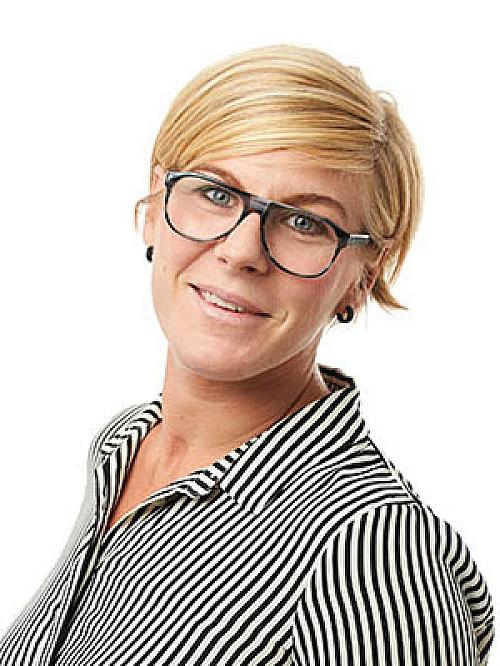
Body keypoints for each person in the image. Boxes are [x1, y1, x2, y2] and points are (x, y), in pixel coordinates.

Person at [0, 44, 494, 665]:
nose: (241, 251)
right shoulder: (126, 446)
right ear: (154, 207)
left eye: (306, 223)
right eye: (216, 194)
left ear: (362, 278)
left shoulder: (374, 550)